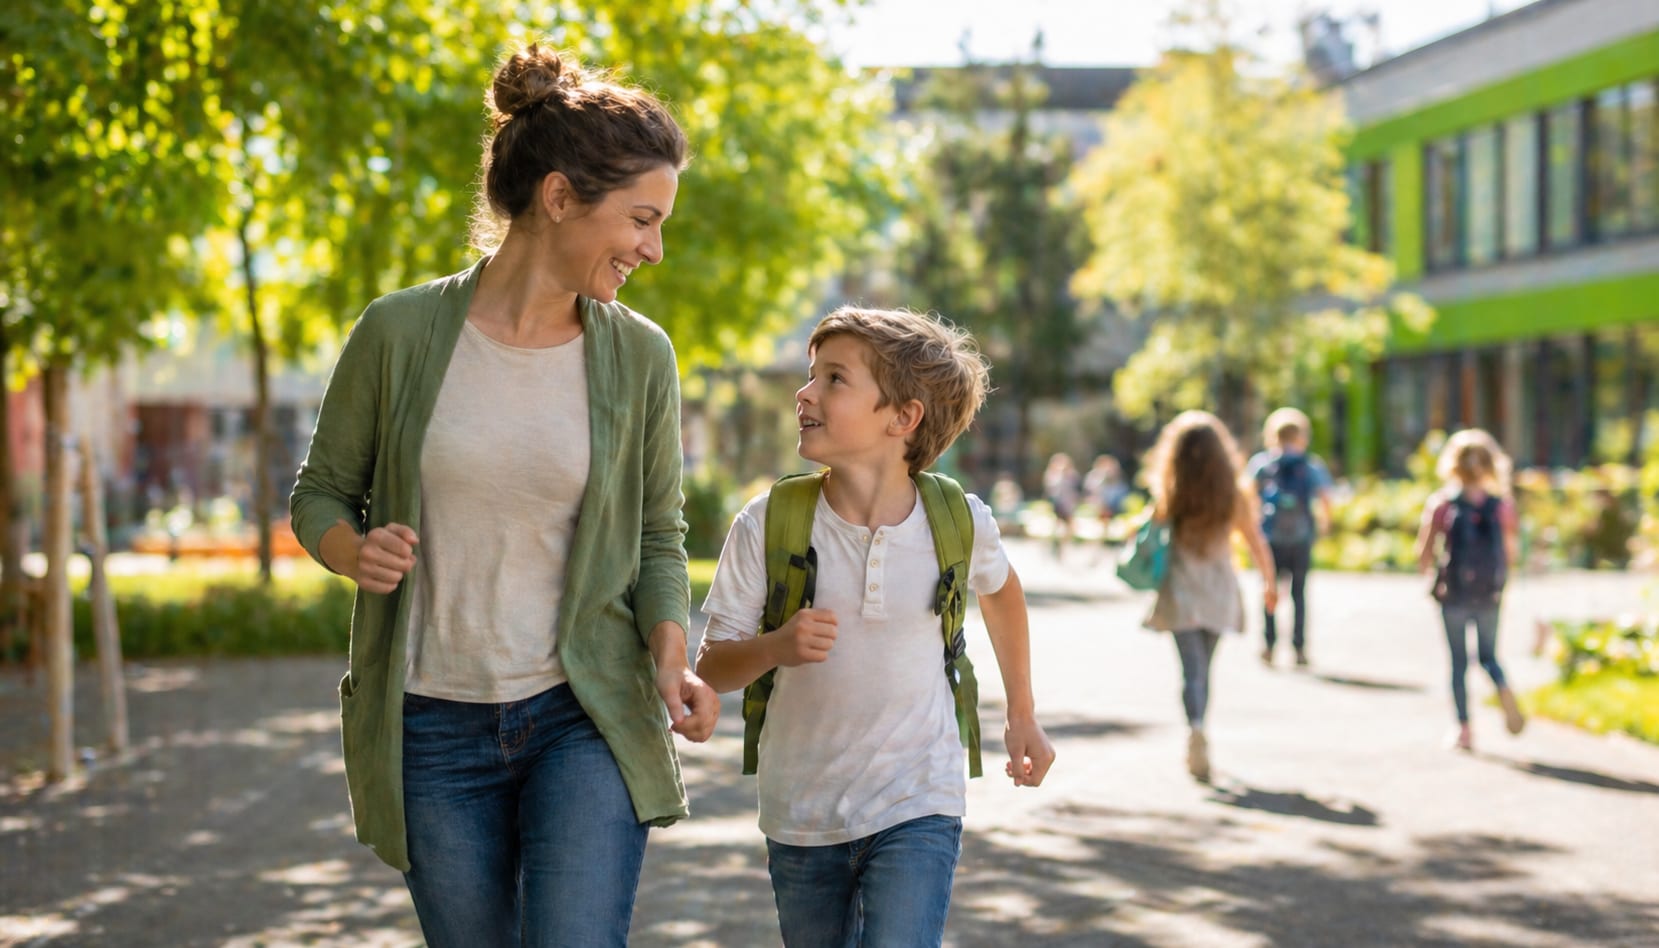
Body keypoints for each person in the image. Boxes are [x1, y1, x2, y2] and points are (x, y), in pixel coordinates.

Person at [288, 44, 718, 947]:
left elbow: (657, 535)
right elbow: (321, 494)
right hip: (430, 724)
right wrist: (351, 552)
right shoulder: (398, 332)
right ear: (559, 198)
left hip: (583, 710)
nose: (655, 248)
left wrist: (669, 655)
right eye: (641, 219)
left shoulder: (639, 354)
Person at [695, 306, 1056, 947]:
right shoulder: (768, 522)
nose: (805, 393)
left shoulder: (958, 519)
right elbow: (713, 665)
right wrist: (777, 646)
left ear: (902, 418)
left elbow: (1002, 595)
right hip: (802, 811)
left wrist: (1022, 713)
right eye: (812, 375)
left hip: (919, 798)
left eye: (835, 379)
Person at [1142, 411, 1276, 783]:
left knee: (1191, 671)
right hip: (1219, 594)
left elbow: (1148, 534)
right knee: (1205, 670)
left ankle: (1195, 727)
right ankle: (1199, 726)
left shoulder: (1171, 492)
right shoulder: (1233, 495)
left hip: (1182, 593)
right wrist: (1270, 583)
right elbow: (1256, 542)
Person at [1415, 428, 1526, 752]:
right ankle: (1501, 684)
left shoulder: (1442, 503)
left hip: (1454, 593)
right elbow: (1510, 550)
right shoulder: (1500, 506)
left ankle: (1463, 729)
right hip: (1489, 591)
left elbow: (1424, 549)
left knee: (1459, 662)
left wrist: (1428, 576)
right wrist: (1504, 580)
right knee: (1489, 655)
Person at [1246, 407, 1333, 668]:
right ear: (1301, 436)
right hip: (1300, 536)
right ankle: (1299, 648)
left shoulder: (1261, 464)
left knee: (1270, 590)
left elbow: (1248, 497)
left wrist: (1254, 524)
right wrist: (1325, 524)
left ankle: (1269, 645)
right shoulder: (1310, 465)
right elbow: (1326, 497)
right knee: (1299, 594)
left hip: (1270, 537)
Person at [1042, 451, 1083, 559]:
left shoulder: (1072, 475)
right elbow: (1051, 490)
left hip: (1068, 505)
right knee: (1058, 526)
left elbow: (1076, 488)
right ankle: (1055, 545)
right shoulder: (1052, 475)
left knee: (1069, 527)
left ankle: (1064, 544)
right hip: (1058, 505)